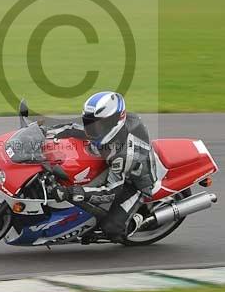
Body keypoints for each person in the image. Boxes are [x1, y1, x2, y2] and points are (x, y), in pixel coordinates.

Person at [47, 91, 155, 242]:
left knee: (112, 228)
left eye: (97, 124)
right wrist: (44, 132)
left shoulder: (122, 154)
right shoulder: (105, 128)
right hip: (115, 165)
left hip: (135, 183)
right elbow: (73, 129)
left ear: (114, 121)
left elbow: (111, 191)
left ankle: (138, 220)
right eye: (89, 122)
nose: (91, 128)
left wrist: (73, 192)